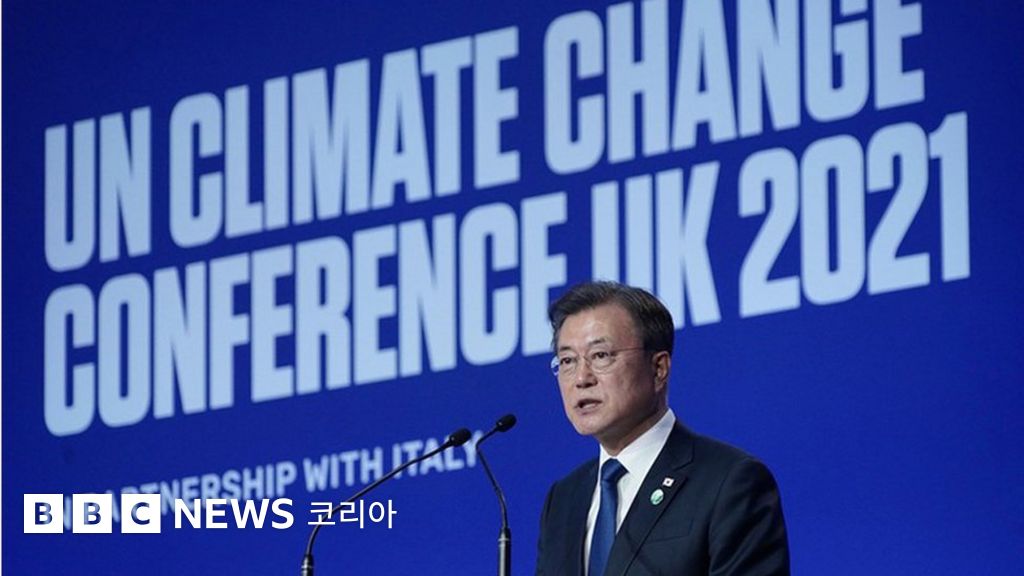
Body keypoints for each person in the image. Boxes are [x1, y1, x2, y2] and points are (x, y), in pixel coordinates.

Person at [536, 281, 789, 576]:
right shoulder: (564, 499)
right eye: (567, 360)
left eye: (601, 355)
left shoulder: (729, 481)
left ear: (659, 369)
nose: (581, 378)